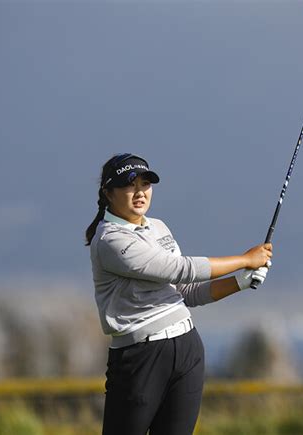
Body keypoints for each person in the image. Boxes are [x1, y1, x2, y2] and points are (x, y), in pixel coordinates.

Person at [85, 153, 273, 435]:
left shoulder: (158, 227)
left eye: (145, 184)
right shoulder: (110, 240)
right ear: (108, 193)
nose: (140, 192)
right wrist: (245, 259)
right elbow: (179, 269)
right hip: (139, 357)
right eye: (129, 185)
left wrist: (241, 282)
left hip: (186, 347)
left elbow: (187, 292)